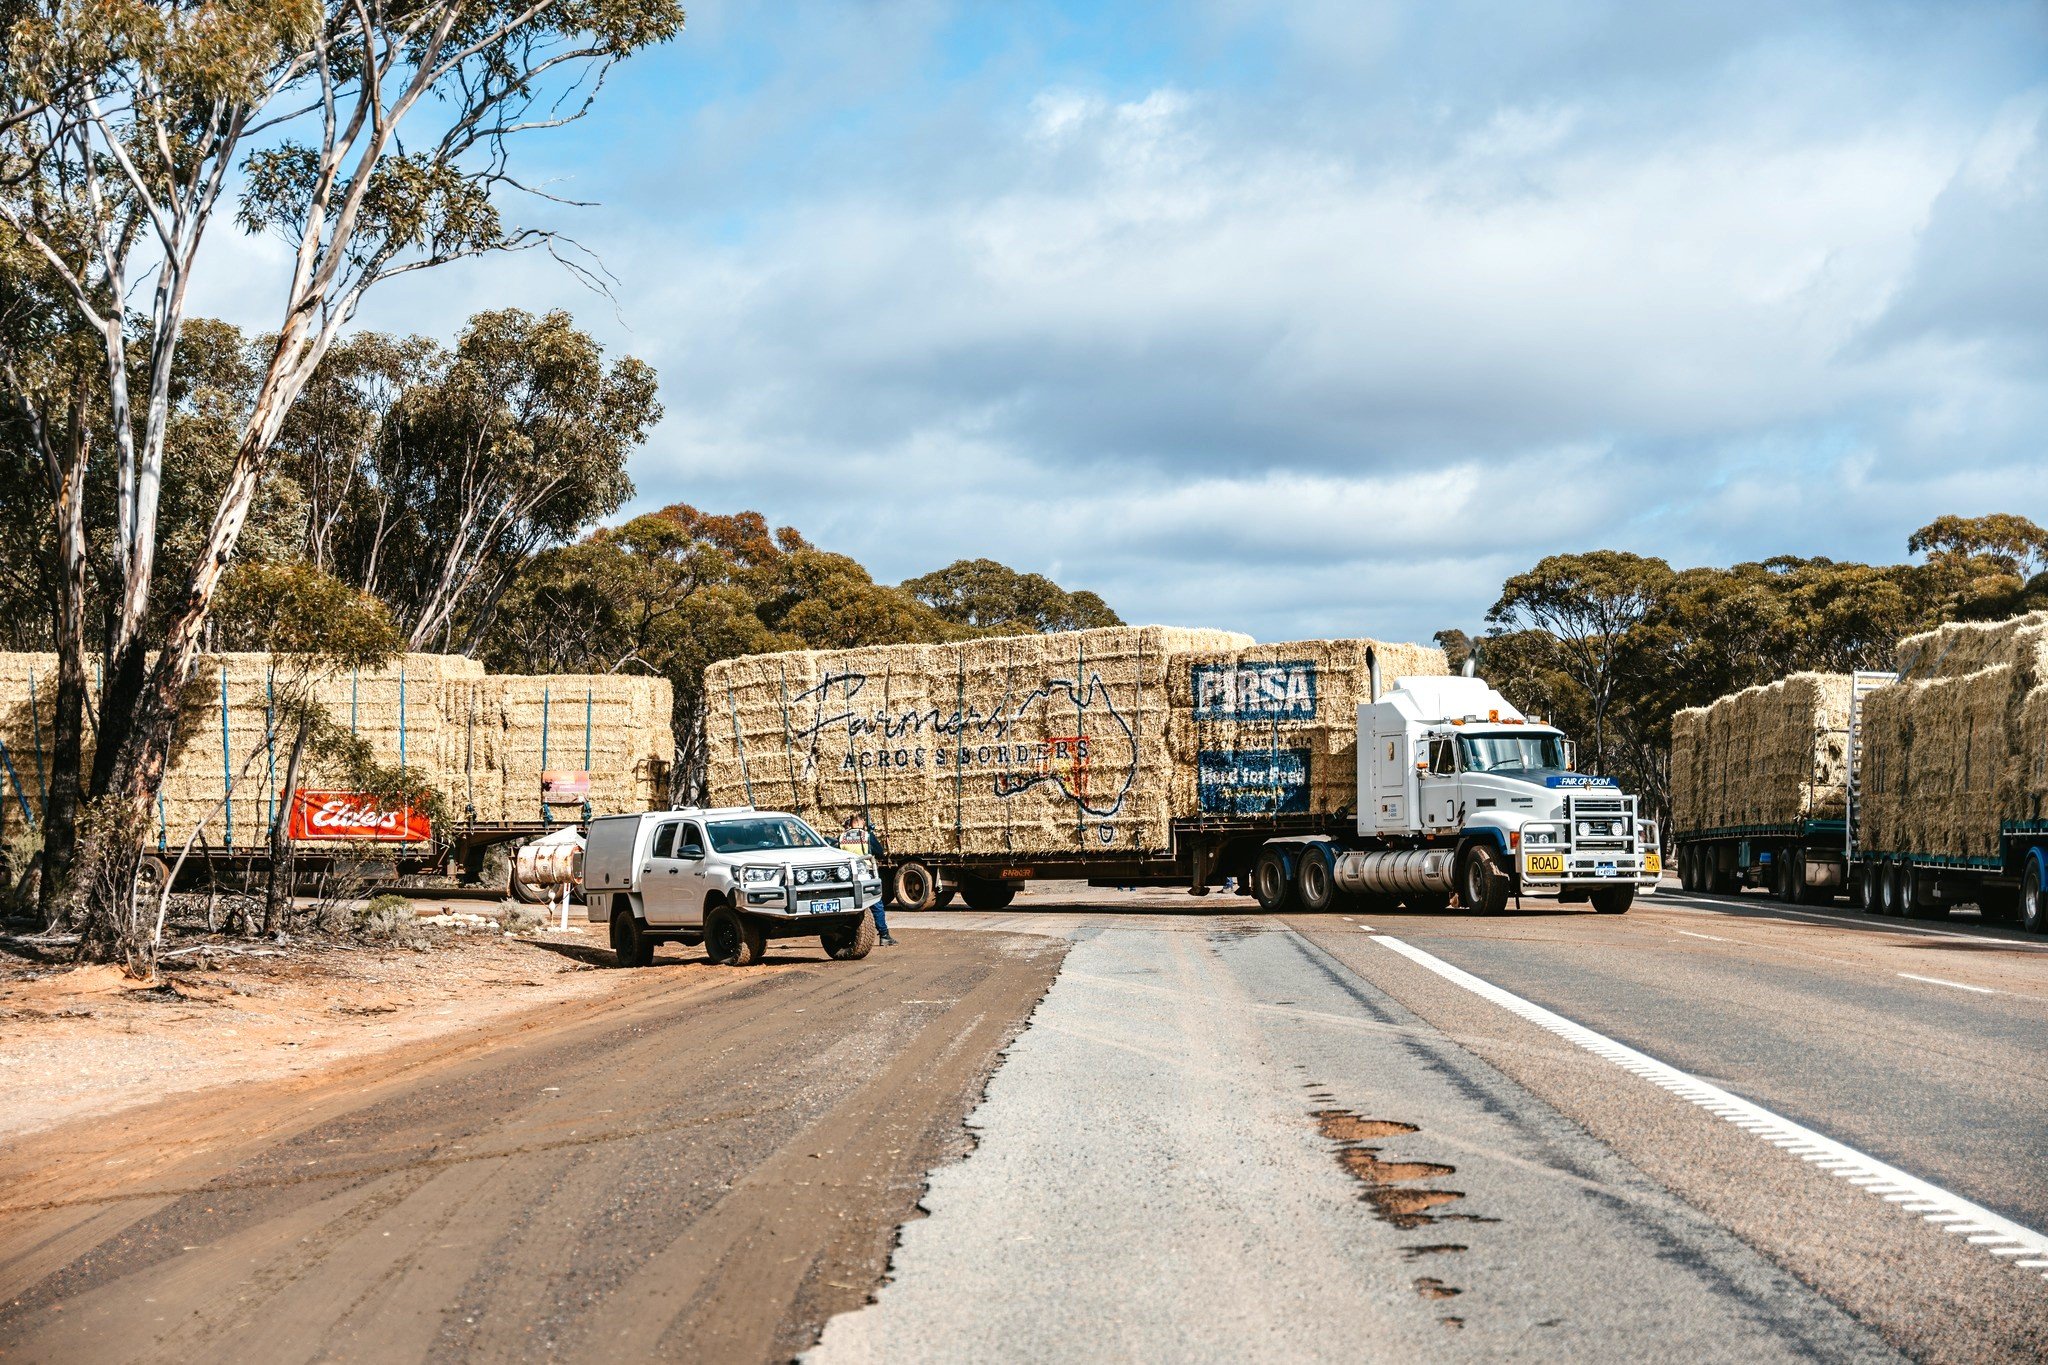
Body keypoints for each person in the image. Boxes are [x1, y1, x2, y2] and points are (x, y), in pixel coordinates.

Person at [838, 812, 895, 946]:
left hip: (848, 876)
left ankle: (848, 936)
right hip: (865, 873)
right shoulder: (866, 836)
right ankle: (884, 935)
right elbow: (880, 852)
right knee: (876, 904)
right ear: (860, 822)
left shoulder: (842, 837)